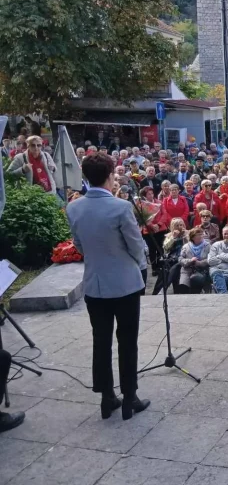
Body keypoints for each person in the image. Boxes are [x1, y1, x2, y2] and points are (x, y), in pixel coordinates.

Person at [65, 153, 150, 421]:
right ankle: (130, 398)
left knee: (100, 341)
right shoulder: (121, 207)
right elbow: (136, 246)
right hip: (125, 284)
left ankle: (106, 398)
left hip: (95, 285)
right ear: (110, 176)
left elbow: (79, 245)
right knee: (127, 341)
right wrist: (141, 265)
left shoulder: (74, 208)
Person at [178, 227, 211, 294]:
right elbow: (180, 259)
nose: (201, 236)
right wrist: (190, 261)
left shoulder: (208, 245)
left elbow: (211, 259)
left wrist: (200, 263)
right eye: (198, 234)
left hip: (202, 270)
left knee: (196, 283)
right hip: (187, 270)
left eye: (202, 234)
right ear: (192, 237)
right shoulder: (186, 246)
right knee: (183, 288)